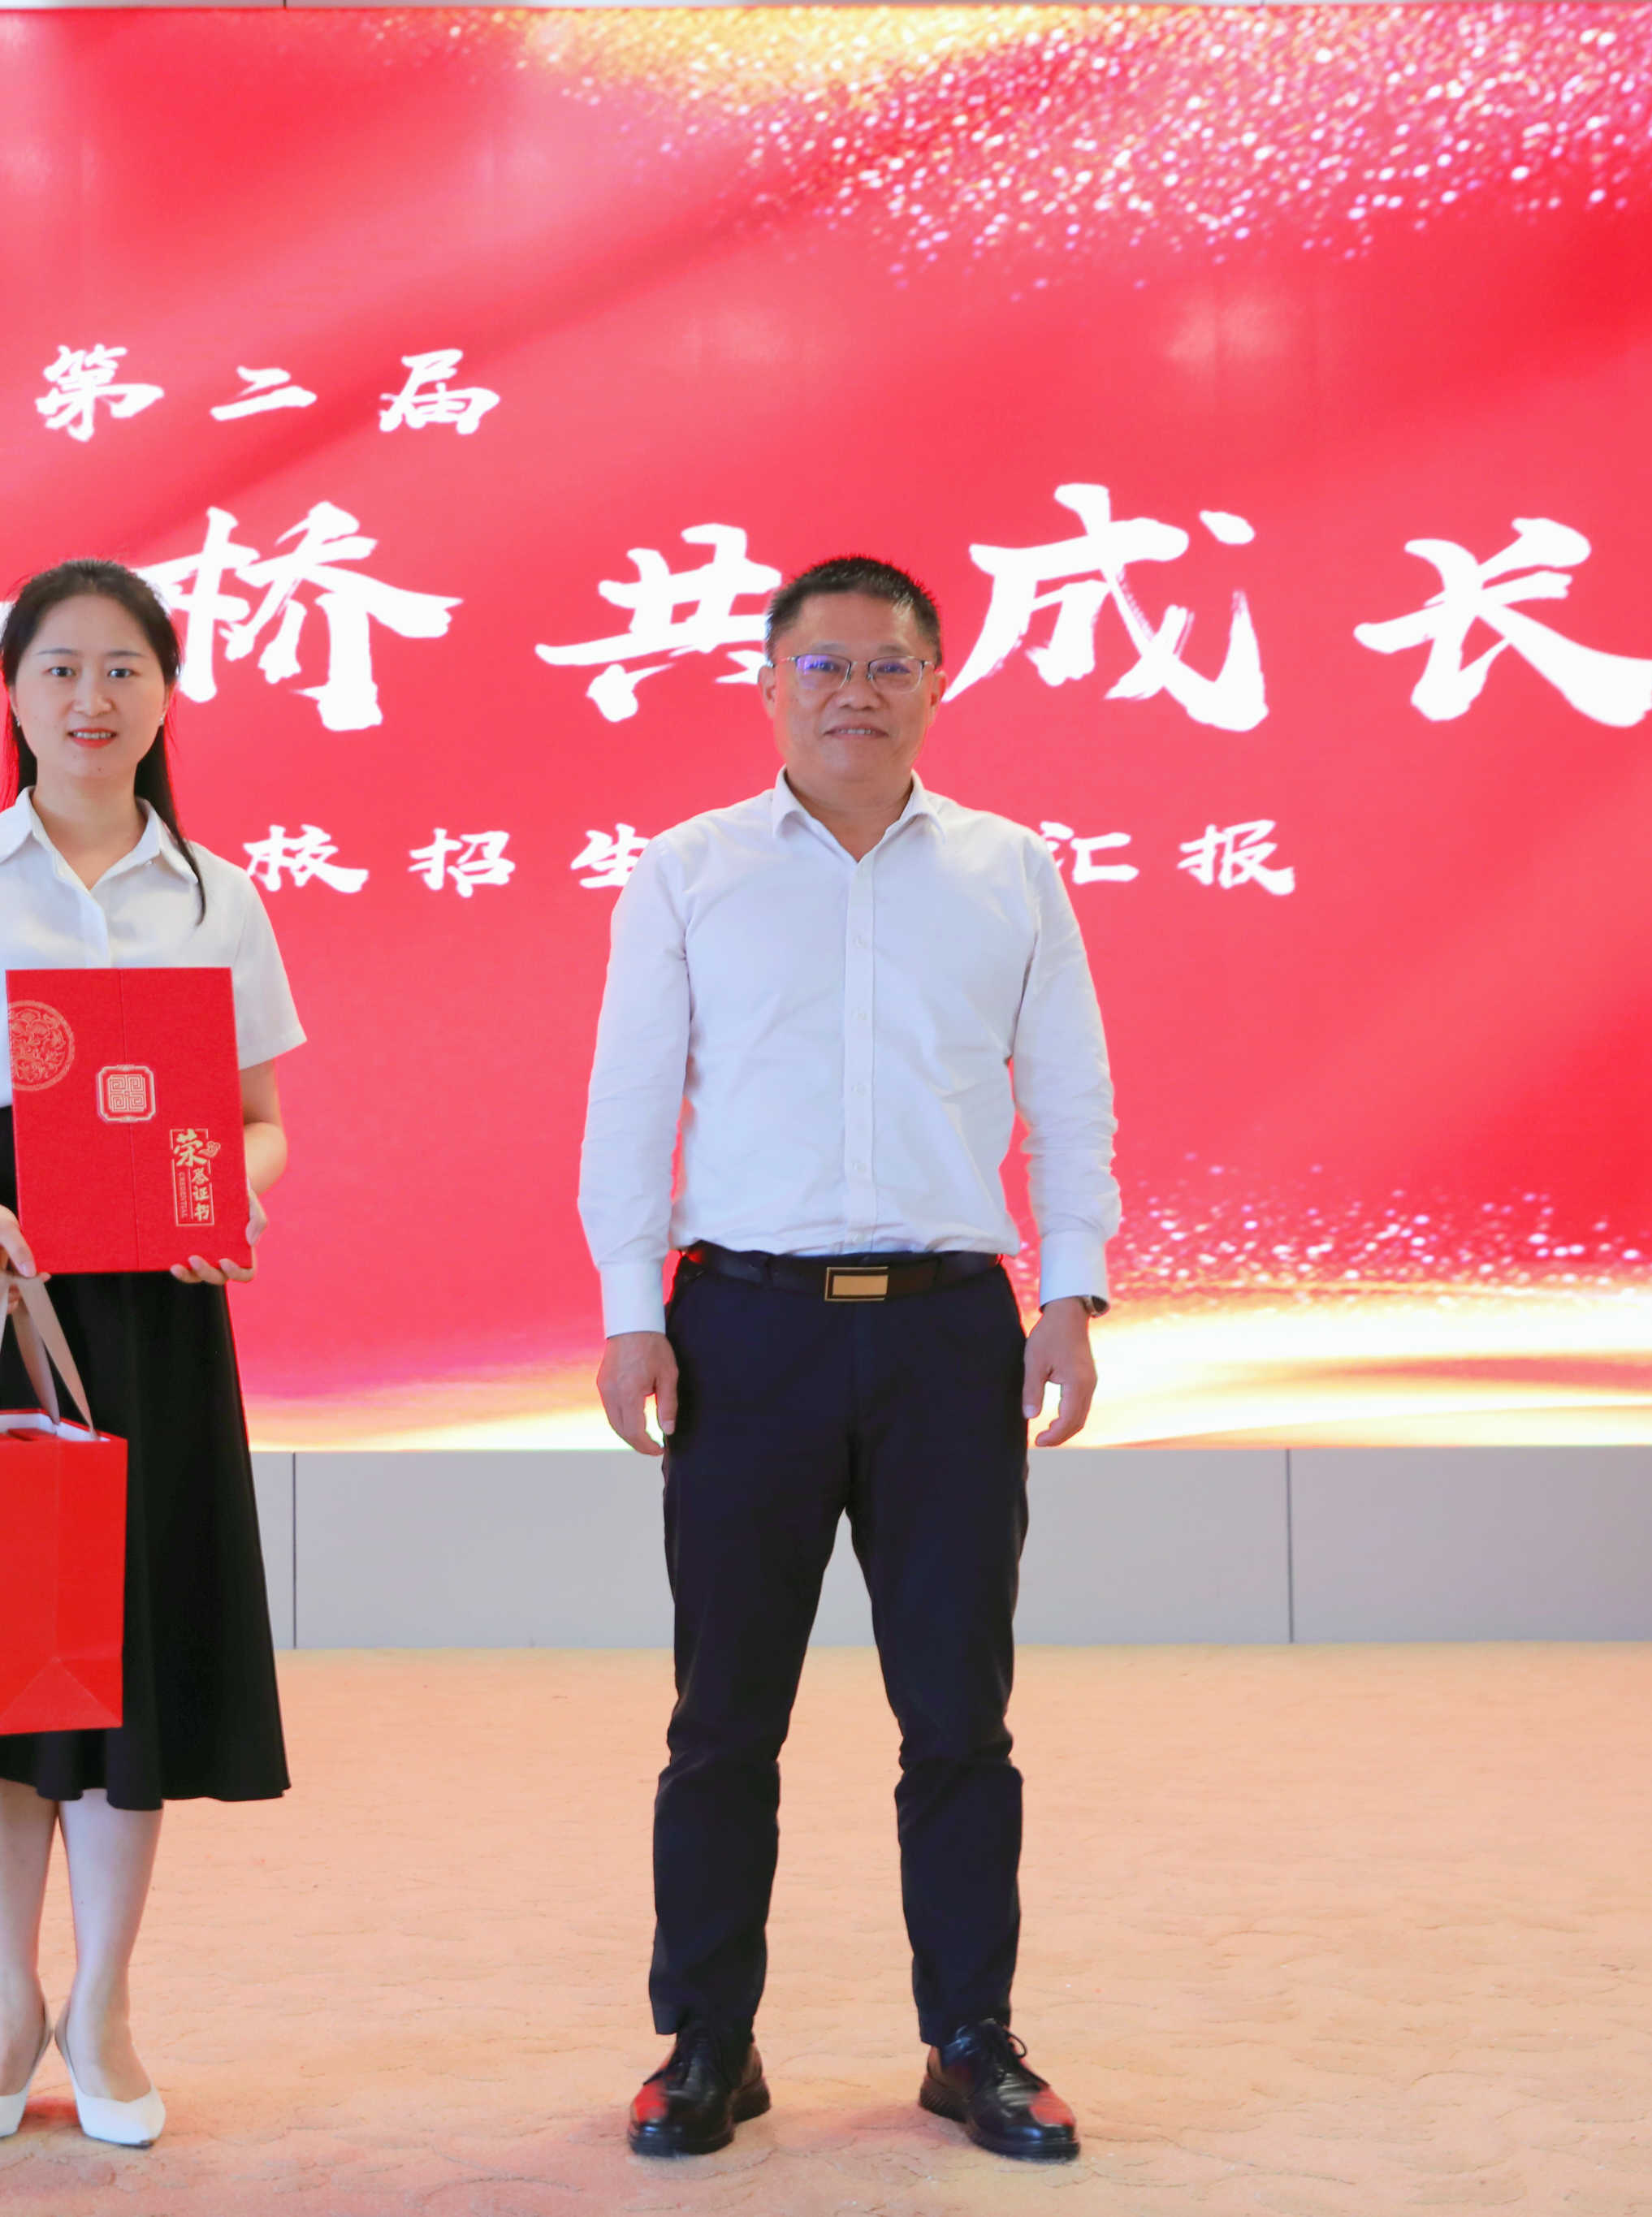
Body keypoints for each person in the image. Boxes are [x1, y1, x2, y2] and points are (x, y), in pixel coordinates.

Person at [579, 555, 1118, 2163]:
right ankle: (706, 2040)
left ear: (935, 684)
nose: (854, 692)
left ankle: (970, 2039)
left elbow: (1068, 1097)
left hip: (951, 1329)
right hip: (743, 1329)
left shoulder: (1010, 871)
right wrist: (628, 1308)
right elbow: (630, 1103)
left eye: (888, 664)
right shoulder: (687, 872)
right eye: (821, 665)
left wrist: (1070, 1293)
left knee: (957, 1712)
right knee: (721, 1716)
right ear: (766, 686)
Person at [0, 558, 300, 2151]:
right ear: (13, 693)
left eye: (124, 670)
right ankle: (3, 2002)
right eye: (61, 670)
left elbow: (258, 1122)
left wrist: (222, 1205)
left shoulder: (215, 895)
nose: (93, 700)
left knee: (124, 1649)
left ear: (167, 692)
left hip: (150, 1302)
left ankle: (105, 2008)